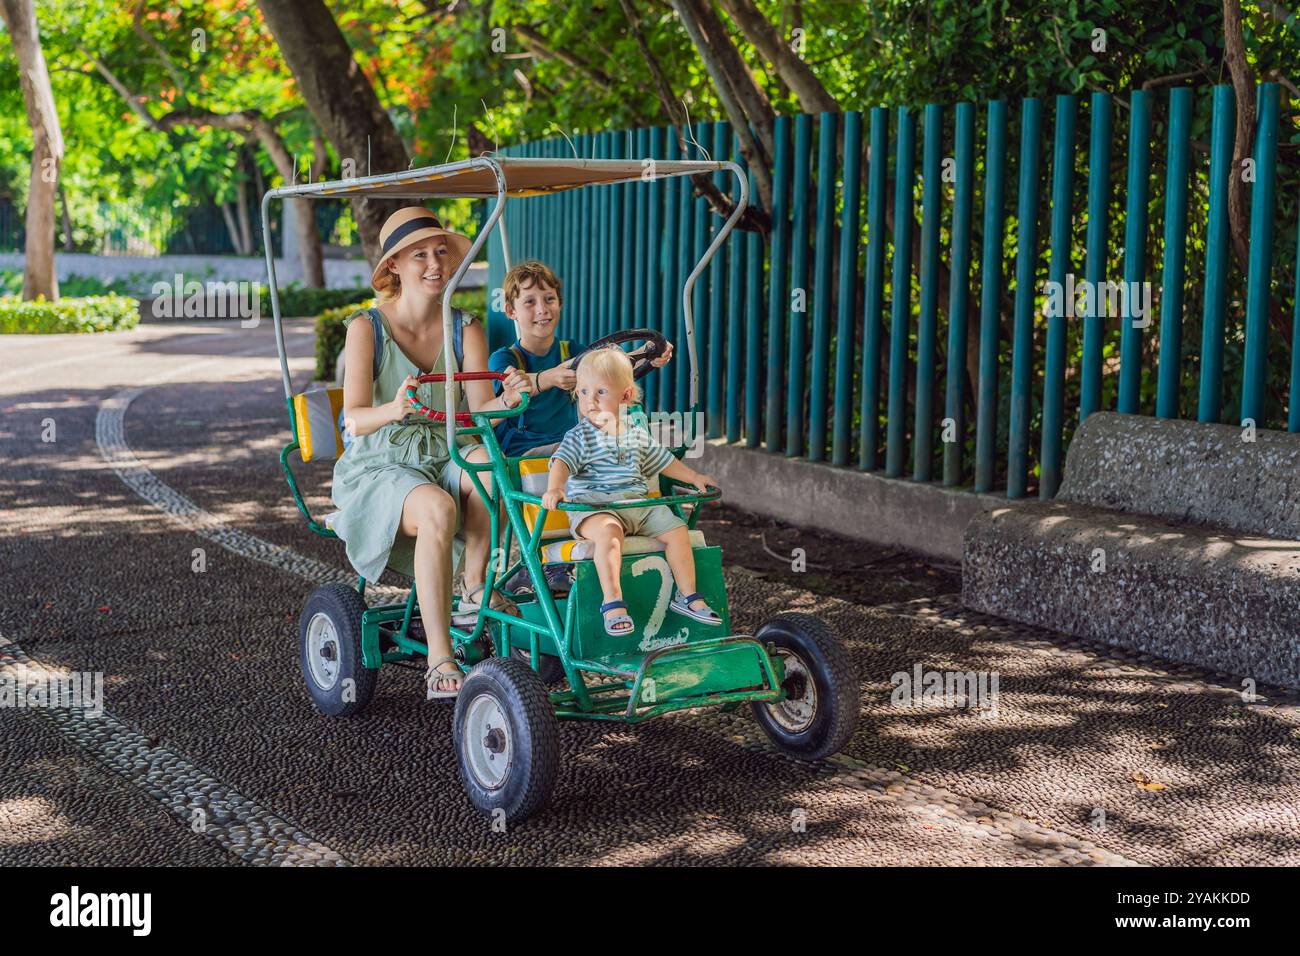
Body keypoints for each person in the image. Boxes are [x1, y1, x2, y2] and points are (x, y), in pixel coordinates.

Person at [331, 206, 531, 699]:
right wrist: (394, 408)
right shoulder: (366, 328)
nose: (435, 262)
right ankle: (440, 656)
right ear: (394, 266)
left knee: (489, 466)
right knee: (438, 507)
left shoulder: (466, 328)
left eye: (441, 251)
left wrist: (512, 396)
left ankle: (473, 588)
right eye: (419, 254)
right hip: (382, 462)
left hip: (448, 453)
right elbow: (353, 418)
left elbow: (482, 412)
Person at [540, 347, 721, 636]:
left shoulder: (636, 434)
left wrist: (695, 476)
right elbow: (561, 462)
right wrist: (555, 488)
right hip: (596, 508)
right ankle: (612, 602)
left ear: (625, 397)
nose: (590, 401)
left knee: (677, 531)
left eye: (600, 392)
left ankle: (687, 596)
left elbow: (664, 462)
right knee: (610, 533)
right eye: (583, 392)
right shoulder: (580, 435)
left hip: (638, 506)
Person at [488, 259, 673, 458]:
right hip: (526, 451)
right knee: (595, 451)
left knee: (632, 440)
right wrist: (551, 377)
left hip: (575, 441)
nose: (542, 309)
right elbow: (514, 389)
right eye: (529, 302)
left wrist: (646, 354)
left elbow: (607, 370)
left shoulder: (572, 350)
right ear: (510, 311)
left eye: (549, 299)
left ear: (560, 303)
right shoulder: (504, 359)